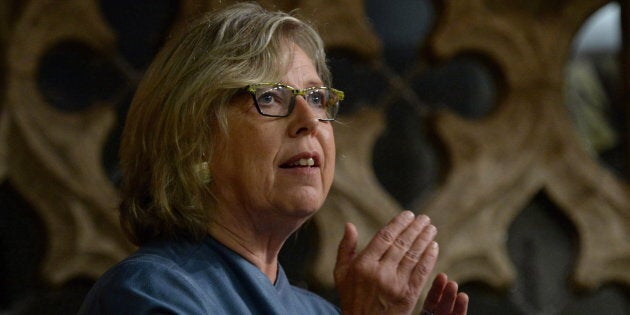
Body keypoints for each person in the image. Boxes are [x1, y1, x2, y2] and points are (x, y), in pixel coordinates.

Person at [78, 2, 468, 314]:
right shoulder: (148, 293)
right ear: (192, 136)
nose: (309, 121)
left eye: (316, 98)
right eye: (269, 97)